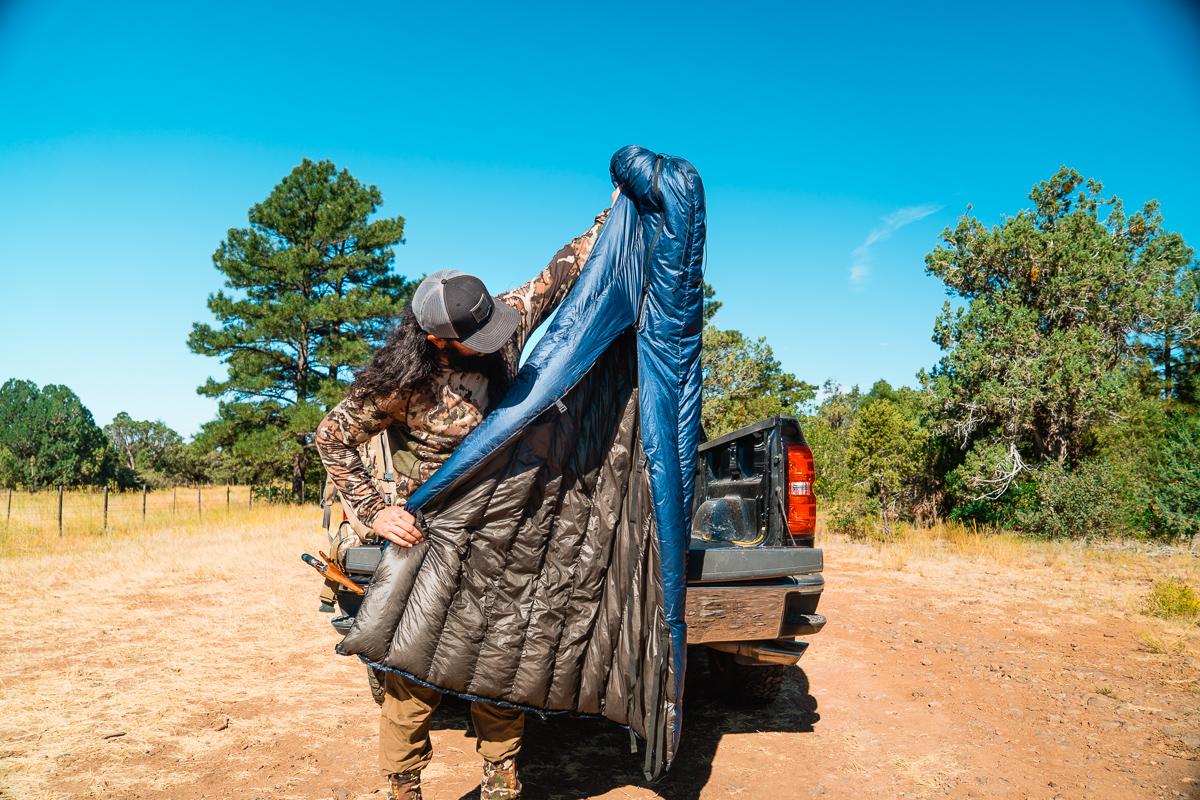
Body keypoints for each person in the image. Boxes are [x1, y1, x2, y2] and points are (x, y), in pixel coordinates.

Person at [314, 187, 620, 800]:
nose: (492, 341)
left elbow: (562, 271)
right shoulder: (403, 383)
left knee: (501, 661)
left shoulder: (495, 321)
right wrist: (377, 510)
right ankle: (404, 788)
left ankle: (502, 781)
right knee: (413, 672)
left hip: (501, 534)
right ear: (436, 340)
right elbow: (332, 438)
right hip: (428, 536)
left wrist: (615, 215)